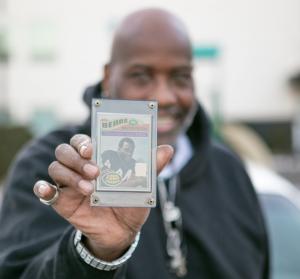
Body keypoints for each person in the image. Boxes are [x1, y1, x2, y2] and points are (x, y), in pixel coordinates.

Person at [0, 8, 269, 279]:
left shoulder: (229, 170)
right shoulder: (53, 167)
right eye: (141, 76)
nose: (164, 97)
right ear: (108, 77)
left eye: (181, 77)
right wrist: (95, 254)